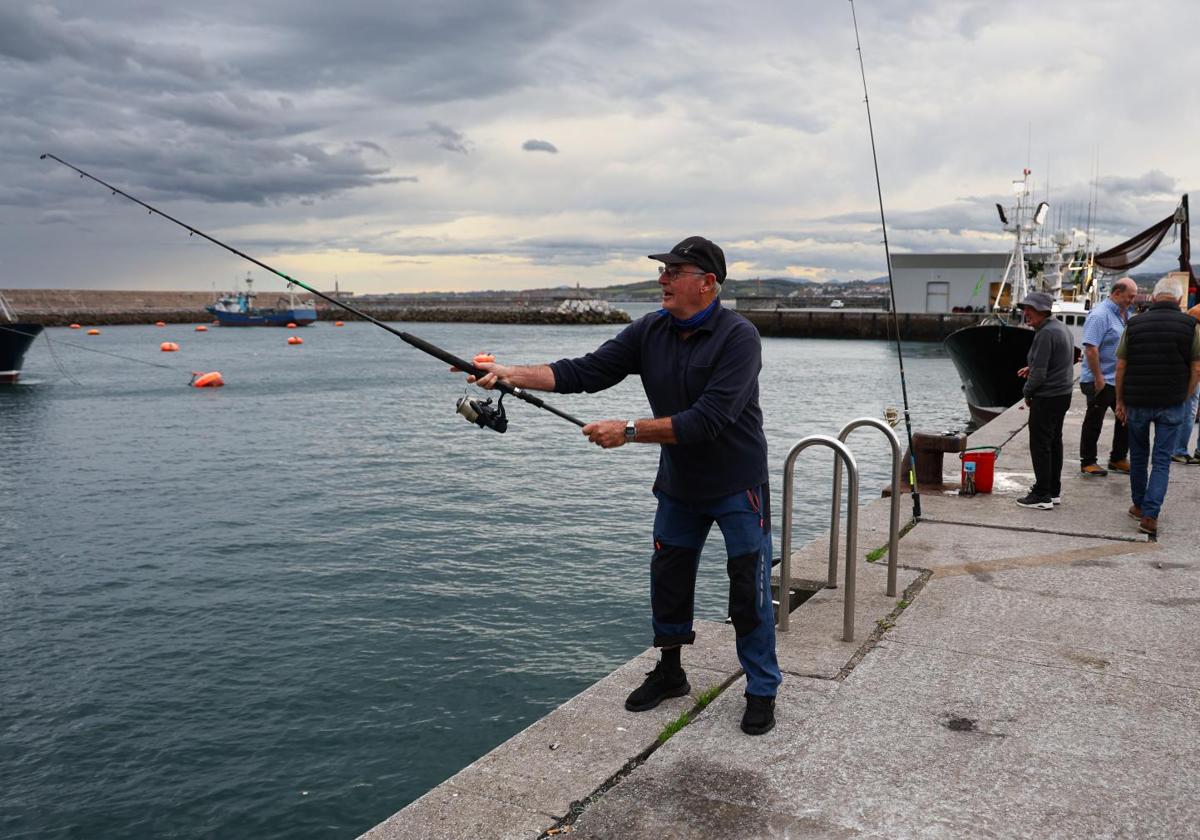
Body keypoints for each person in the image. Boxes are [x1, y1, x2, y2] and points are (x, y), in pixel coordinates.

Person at [461, 236, 781, 735]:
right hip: (679, 485)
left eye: (674, 272)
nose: (663, 280)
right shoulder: (650, 330)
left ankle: (762, 688)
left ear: (708, 283)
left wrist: (628, 430)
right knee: (668, 582)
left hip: (738, 484)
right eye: (662, 271)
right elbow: (583, 372)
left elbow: (708, 421)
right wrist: (505, 373)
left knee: (748, 589)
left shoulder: (739, 337)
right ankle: (671, 672)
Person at [1115, 275, 1200, 536]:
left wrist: (1120, 400)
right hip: (1171, 402)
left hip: (1138, 402)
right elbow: (1196, 368)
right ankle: (1151, 515)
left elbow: (1121, 366)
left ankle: (1139, 505)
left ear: (1153, 298)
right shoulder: (1191, 326)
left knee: (1139, 456)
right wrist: (1185, 396)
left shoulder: (1135, 323)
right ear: (1178, 299)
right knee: (1162, 460)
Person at [1015, 291, 1074, 510]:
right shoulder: (1060, 328)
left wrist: (1027, 392)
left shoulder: (1046, 333)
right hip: (1062, 395)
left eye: (1030, 309)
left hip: (1047, 397)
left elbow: (1039, 376)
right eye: (1024, 309)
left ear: (1043, 310)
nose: (1026, 313)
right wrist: (1032, 368)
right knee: (1054, 443)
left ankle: (1041, 494)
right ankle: (1053, 490)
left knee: (1040, 445)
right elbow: (1058, 361)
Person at [1078, 278, 1137, 476]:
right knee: (1095, 419)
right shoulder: (1100, 315)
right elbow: (1091, 349)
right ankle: (1088, 461)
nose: (1132, 300)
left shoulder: (1123, 314)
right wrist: (1098, 378)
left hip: (1116, 378)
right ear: (1117, 293)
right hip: (1100, 378)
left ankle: (1118, 458)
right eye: (1130, 296)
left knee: (1125, 418)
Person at [1169, 299, 1200, 464]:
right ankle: (1179, 450)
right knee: (1189, 411)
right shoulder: (1196, 313)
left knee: (1190, 410)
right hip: (1194, 369)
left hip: (1192, 367)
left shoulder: (1194, 311)